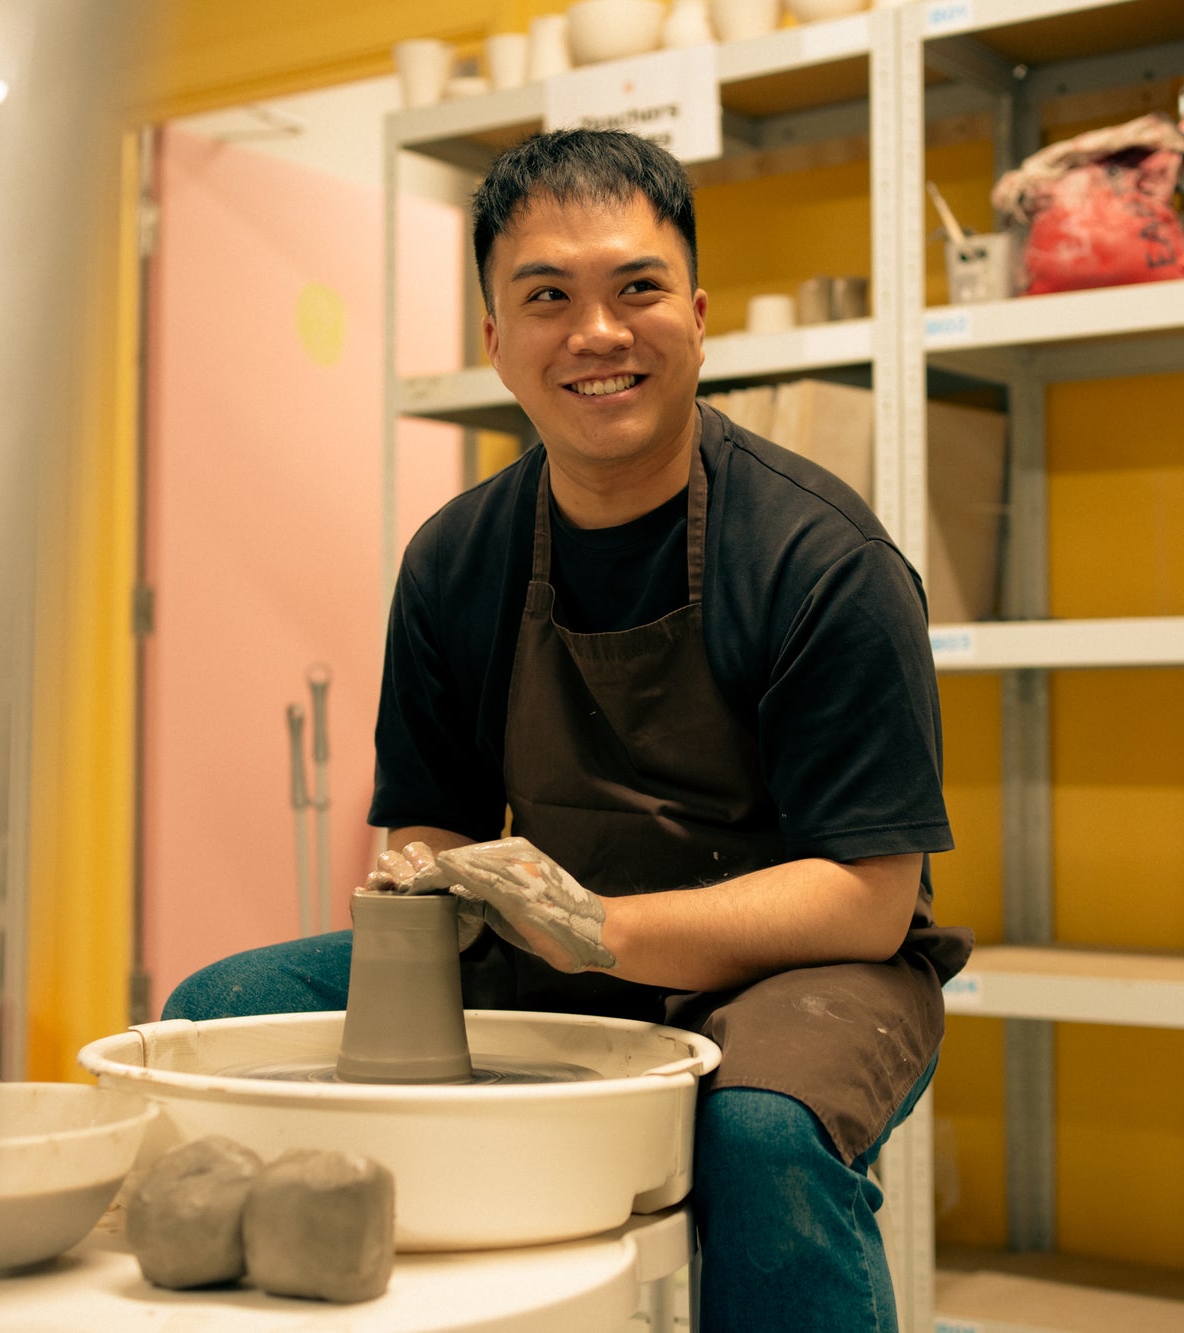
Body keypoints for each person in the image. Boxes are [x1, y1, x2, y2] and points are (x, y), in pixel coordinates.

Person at [165, 126, 973, 1331]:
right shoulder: (454, 558)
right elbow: (430, 825)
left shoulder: (820, 557)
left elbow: (866, 898)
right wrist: (429, 891)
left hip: (802, 971)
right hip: (541, 947)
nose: (597, 333)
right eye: (547, 296)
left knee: (758, 1131)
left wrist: (601, 928)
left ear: (695, 315)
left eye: (635, 288)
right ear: (495, 341)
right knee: (216, 1016)